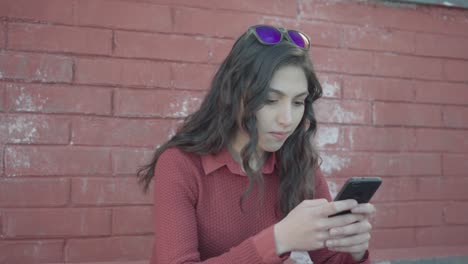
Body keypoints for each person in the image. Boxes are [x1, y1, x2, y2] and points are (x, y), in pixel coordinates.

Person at [137, 25, 375, 264]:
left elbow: (330, 259)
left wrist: (353, 252)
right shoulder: (180, 163)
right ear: (233, 93)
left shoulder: (299, 161)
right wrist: (278, 240)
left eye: (298, 102)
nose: (287, 119)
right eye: (271, 100)